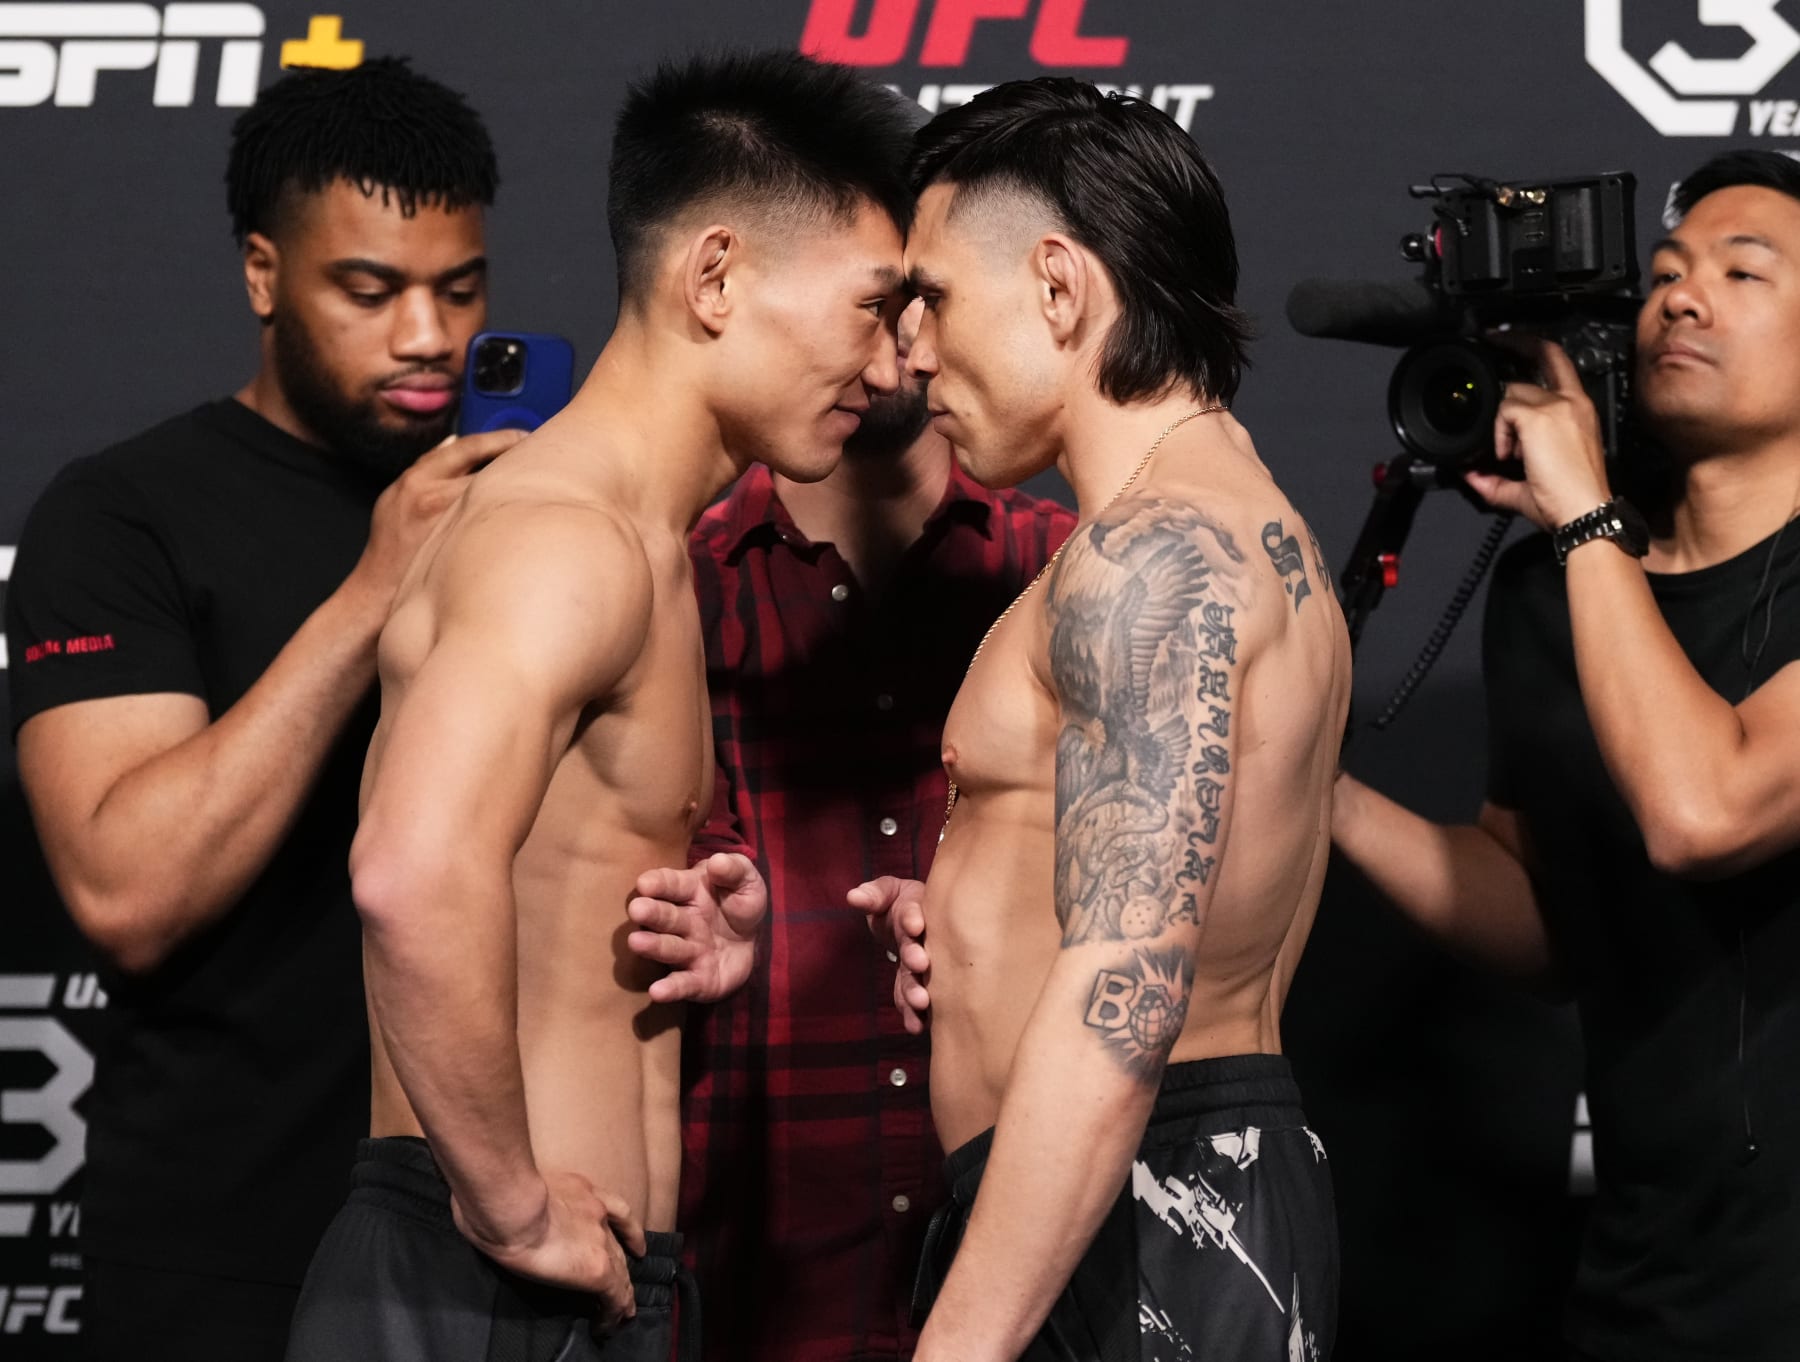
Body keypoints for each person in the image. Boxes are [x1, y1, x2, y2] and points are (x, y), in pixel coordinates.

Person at [631, 77, 1350, 1362]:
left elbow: (1127, 989)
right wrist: (979, 922)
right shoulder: (1234, 524)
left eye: (938, 301)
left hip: (1139, 1211)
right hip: (1157, 1196)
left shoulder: (1154, 554)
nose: (907, 353)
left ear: (1061, 288)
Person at [281, 50, 915, 1362]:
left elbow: (534, 876)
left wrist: (700, 921)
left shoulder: (642, 544)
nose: (893, 364)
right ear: (718, 277)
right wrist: (511, 1208)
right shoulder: (562, 535)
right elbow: (408, 868)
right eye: (871, 308)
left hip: (576, 1279)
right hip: (480, 1279)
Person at [3, 58, 507, 1362]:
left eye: (458, 289)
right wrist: (370, 594)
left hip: (489, 1241)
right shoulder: (121, 514)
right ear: (263, 272)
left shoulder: (523, 506)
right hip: (217, 1252)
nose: (425, 337)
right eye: (371, 289)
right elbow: (127, 886)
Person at [1332, 148, 1800, 1362]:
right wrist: (1320, 795)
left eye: (1743, 273)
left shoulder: (1582, 553)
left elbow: (1705, 813)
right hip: (1647, 1286)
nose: (1681, 298)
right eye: (1662, 273)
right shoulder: (1556, 591)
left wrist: (1589, 514)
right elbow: (1548, 922)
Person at [629, 293, 1074, 1362]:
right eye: (863, 300)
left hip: (1033, 1295)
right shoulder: (668, 583)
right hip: (751, 1298)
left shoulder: (1072, 571)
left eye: (919, 297)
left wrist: (1002, 916)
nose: (893, 339)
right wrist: (682, 904)